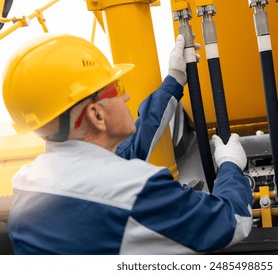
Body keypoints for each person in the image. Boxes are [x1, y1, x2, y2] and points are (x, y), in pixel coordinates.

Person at [2, 33, 253, 255]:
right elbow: (231, 221)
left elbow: (126, 155)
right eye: (116, 88)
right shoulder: (134, 189)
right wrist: (230, 166)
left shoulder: (27, 181)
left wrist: (174, 80)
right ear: (96, 115)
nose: (126, 95)